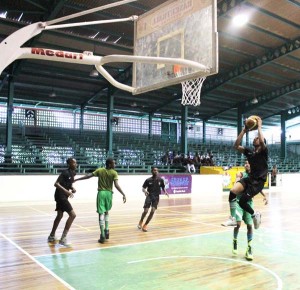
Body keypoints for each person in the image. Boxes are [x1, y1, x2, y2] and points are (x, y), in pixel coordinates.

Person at [222, 116, 268, 229]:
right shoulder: (250, 151)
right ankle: (233, 218)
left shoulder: (264, 151)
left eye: (257, 138)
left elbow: (262, 141)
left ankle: (254, 214)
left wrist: (259, 126)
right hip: (250, 178)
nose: (255, 138)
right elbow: (236, 146)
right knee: (232, 191)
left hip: (258, 182)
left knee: (243, 202)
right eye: (256, 137)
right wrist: (244, 130)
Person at [74, 158, 126, 243]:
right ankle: (107, 229)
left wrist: (77, 179)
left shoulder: (100, 170)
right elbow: (116, 185)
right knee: (106, 211)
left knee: (101, 213)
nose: (115, 165)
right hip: (109, 194)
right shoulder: (114, 173)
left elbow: (88, 176)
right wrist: (123, 194)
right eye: (113, 164)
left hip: (101, 193)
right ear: (109, 164)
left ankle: (102, 235)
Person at [232, 160, 268, 261]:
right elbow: (238, 177)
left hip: (248, 203)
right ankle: (235, 240)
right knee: (238, 224)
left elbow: (257, 187)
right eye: (245, 163)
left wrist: (265, 195)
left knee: (249, 226)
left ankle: (249, 248)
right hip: (239, 202)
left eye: (248, 163)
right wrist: (236, 180)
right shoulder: (241, 174)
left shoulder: (255, 177)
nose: (246, 164)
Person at [48, 157, 77, 246]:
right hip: (60, 196)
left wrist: (72, 188)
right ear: (69, 164)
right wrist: (66, 191)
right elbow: (56, 184)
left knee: (59, 215)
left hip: (63, 196)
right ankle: (63, 239)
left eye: (76, 163)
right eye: (74, 163)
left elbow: (68, 183)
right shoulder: (65, 172)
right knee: (73, 215)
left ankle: (51, 236)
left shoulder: (73, 173)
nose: (76, 164)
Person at [138, 167, 169, 232]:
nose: (156, 171)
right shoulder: (148, 180)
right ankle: (141, 220)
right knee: (146, 211)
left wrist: (165, 191)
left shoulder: (160, 180)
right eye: (154, 170)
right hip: (149, 196)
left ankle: (145, 225)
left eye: (157, 170)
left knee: (152, 211)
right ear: (152, 171)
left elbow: (163, 187)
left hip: (156, 197)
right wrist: (145, 191)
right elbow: (143, 188)